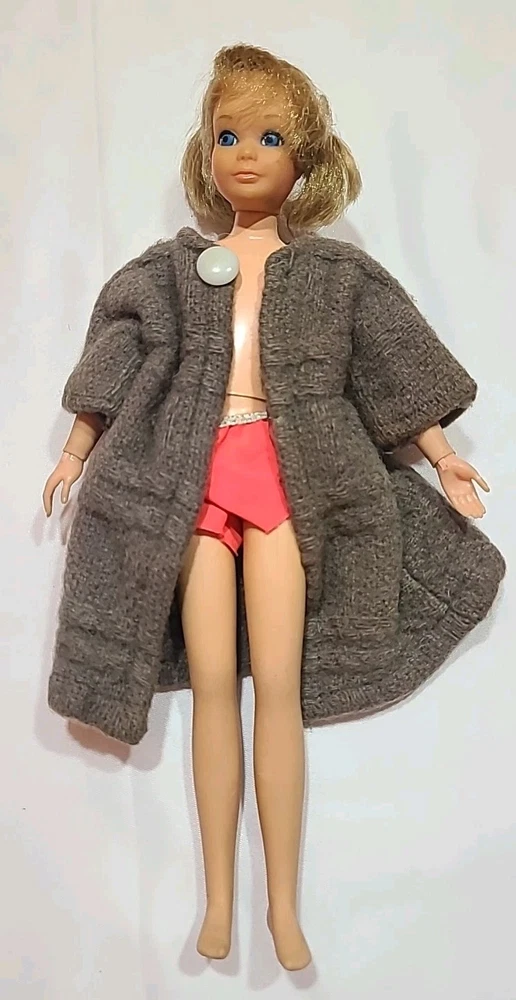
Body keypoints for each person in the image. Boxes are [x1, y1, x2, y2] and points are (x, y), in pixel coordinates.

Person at [42, 43, 504, 971]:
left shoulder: (337, 276)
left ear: (307, 158)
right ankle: (219, 902)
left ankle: (282, 908)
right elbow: (118, 360)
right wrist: (76, 450)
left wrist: (444, 456)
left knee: (278, 690)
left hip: (291, 481)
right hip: (194, 477)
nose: (245, 155)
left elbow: (388, 370)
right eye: (227, 136)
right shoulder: (170, 270)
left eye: (268, 137)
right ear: (204, 151)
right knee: (217, 683)